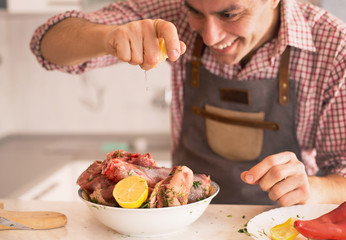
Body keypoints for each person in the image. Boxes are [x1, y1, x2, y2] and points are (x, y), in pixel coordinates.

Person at [30, 0, 346, 206]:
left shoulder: (333, 47)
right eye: (195, 11)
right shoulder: (174, 16)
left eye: (230, 14)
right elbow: (45, 44)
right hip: (182, 224)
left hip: (280, 225)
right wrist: (108, 38)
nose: (209, 36)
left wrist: (314, 189)